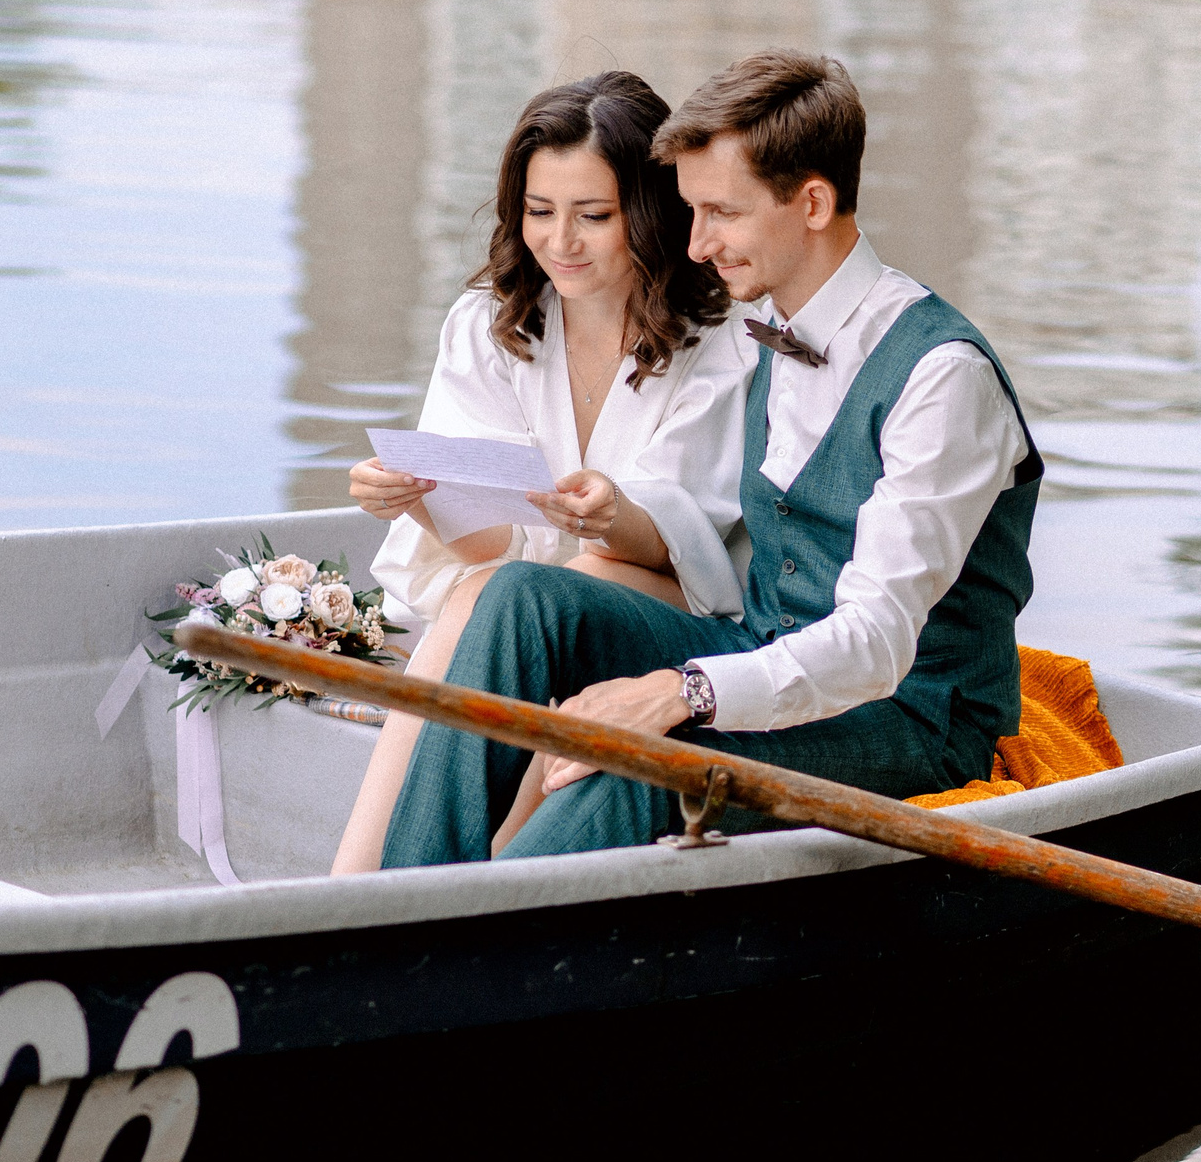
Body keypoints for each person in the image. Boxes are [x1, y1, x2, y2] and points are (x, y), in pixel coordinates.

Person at [380, 48, 1044, 864]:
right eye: (692, 213)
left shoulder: (942, 377)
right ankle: (407, 896)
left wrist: (677, 692)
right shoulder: (765, 334)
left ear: (812, 202)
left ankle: (460, 943)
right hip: (760, 653)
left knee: (649, 766)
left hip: (906, 715)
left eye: (720, 213)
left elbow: (877, 641)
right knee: (519, 598)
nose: (695, 245)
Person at [331, 70, 751, 875]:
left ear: (651, 211)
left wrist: (612, 513)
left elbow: (686, 545)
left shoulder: (719, 342)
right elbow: (495, 542)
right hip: (522, 594)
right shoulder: (490, 323)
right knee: (485, 592)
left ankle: (445, 874)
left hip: (681, 604)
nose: (561, 241)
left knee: (542, 587)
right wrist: (415, 499)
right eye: (539, 212)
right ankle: (355, 883)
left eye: (593, 216)